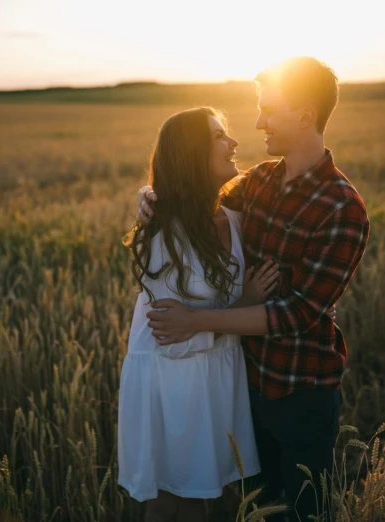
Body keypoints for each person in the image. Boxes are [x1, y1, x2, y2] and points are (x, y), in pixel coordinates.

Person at [137, 57, 370, 521]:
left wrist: (194, 322)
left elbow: (294, 314)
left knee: (305, 513)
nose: (258, 122)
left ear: (304, 115)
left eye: (269, 109)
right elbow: (196, 196)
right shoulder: (259, 181)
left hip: (301, 392)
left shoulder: (343, 208)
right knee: (254, 509)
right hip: (242, 386)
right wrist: (151, 198)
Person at [118, 107, 284, 522]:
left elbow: (196, 317)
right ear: (191, 154)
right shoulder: (162, 233)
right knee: (174, 501)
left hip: (213, 374)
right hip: (174, 381)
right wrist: (244, 303)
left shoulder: (234, 219)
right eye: (218, 136)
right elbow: (170, 336)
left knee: (199, 497)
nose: (233, 143)